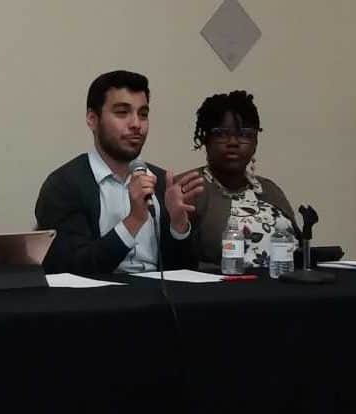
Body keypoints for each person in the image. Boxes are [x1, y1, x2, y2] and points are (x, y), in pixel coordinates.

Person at [35, 70, 204, 274]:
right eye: (122, 113)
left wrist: (178, 226)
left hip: (159, 302)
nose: (136, 124)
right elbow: (71, 267)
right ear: (92, 119)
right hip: (99, 302)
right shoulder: (64, 185)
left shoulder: (161, 183)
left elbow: (184, 273)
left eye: (143, 114)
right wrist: (134, 220)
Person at [187, 91, 298, 268]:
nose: (233, 142)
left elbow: (299, 248)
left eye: (244, 134)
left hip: (282, 287)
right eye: (221, 134)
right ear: (205, 140)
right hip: (218, 291)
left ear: (255, 143)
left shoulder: (269, 190)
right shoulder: (190, 187)